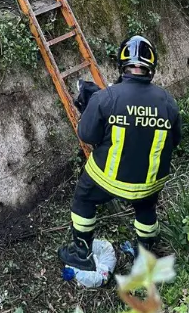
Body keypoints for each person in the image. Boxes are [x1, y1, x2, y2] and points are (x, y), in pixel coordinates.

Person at [58, 36, 181, 273]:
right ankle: (144, 257)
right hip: (149, 183)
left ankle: (82, 253)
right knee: (146, 209)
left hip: (108, 180)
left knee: (83, 200)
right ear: (151, 68)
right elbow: (175, 140)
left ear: (122, 65)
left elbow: (87, 135)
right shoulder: (168, 101)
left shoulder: (105, 97)